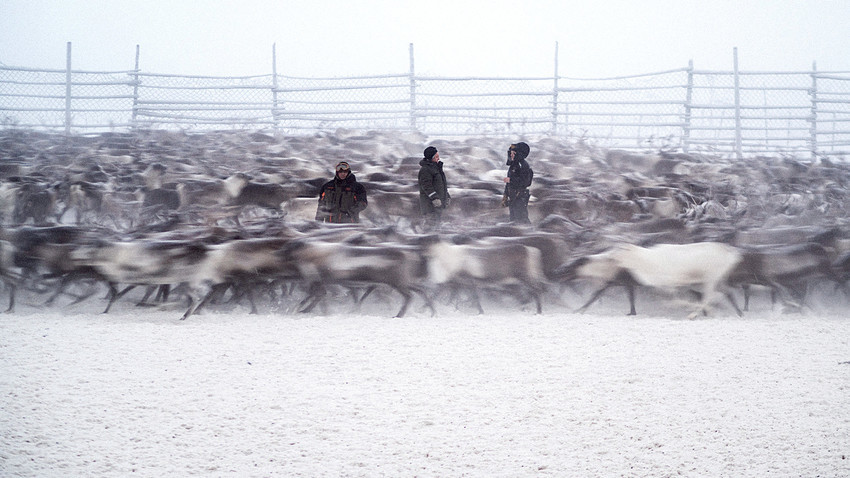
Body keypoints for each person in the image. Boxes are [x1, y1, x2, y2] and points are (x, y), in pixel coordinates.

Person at [501, 141, 533, 224]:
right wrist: (505, 195)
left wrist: (511, 180)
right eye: (511, 153)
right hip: (513, 196)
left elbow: (525, 182)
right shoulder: (513, 166)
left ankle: (527, 230)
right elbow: (508, 184)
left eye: (514, 153)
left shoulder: (523, 165)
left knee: (521, 218)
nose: (511, 155)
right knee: (513, 219)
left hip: (520, 196)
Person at [418, 146, 450, 228]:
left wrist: (446, 196)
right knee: (430, 228)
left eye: (438, 156)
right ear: (431, 158)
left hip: (438, 206)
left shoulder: (437, 168)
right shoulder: (425, 170)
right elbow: (426, 186)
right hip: (430, 206)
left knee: (437, 228)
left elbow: (441, 184)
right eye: (436, 157)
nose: (438, 158)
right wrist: (435, 198)